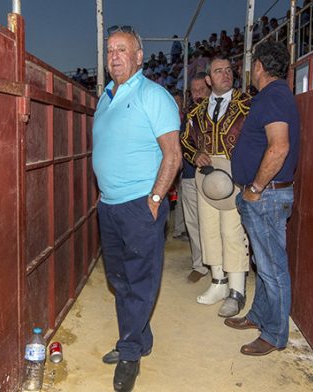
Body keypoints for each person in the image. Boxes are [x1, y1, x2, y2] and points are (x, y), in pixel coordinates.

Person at [92, 25, 181, 392]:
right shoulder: (105, 96)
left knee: (140, 280)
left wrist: (156, 199)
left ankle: (129, 352)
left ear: (139, 56)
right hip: (109, 206)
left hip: (140, 205)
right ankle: (140, 336)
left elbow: (173, 155)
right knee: (119, 280)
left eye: (122, 50)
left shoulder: (153, 95)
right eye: (110, 50)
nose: (114, 56)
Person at [226, 41, 300, 356]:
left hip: (266, 196)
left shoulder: (273, 97)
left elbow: (279, 147)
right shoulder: (274, 96)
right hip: (264, 195)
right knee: (264, 263)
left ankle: (274, 335)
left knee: (272, 268)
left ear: (258, 66)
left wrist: (254, 188)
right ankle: (259, 316)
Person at [181, 56, 252, 317]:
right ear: (209, 79)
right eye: (218, 71)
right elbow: (186, 140)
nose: (225, 74)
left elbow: (255, 138)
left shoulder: (246, 104)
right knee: (208, 229)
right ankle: (218, 282)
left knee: (232, 231)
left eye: (228, 70)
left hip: (235, 174)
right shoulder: (197, 111)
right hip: (205, 175)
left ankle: (236, 290)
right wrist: (195, 154)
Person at [178, 73, 211, 282]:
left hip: (215, 175)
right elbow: (182, 142)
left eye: (201, 89)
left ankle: (218, 265)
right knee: (193, 222)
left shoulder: (221, 111)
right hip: (190, 174)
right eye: (194, 91)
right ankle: (200, 265)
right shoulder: (189, 114)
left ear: (209, 89)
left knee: (214, 222)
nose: (197, 94)